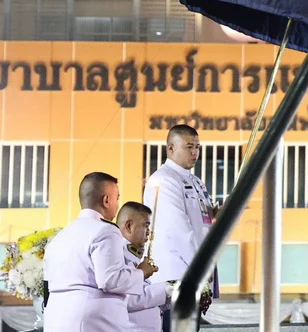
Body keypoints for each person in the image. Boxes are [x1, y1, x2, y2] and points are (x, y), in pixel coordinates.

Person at [43, 172, 154, 331]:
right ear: (106, 200)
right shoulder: (106, 231)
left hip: (56, 319)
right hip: (92, 323)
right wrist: (142, 272)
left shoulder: (60, 236)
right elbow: (110, 279)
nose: (117, 204)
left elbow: (48, 284)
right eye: (117, 198)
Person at [144, 124, 219, 330]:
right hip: (176, 273)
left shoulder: (195, 181)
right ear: (171, 148)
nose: (195, 152)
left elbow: (203, 220)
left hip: (193, 270)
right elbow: (177, 229)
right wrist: (200, 268)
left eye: (197, 147)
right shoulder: (164, 179)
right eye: (189, 147)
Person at [118, 201, 170, 332]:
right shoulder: (117, 255)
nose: (149, 233)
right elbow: (128, 299)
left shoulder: (132, 256)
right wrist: (167, 289)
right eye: (145, 226)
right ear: (129, 226)